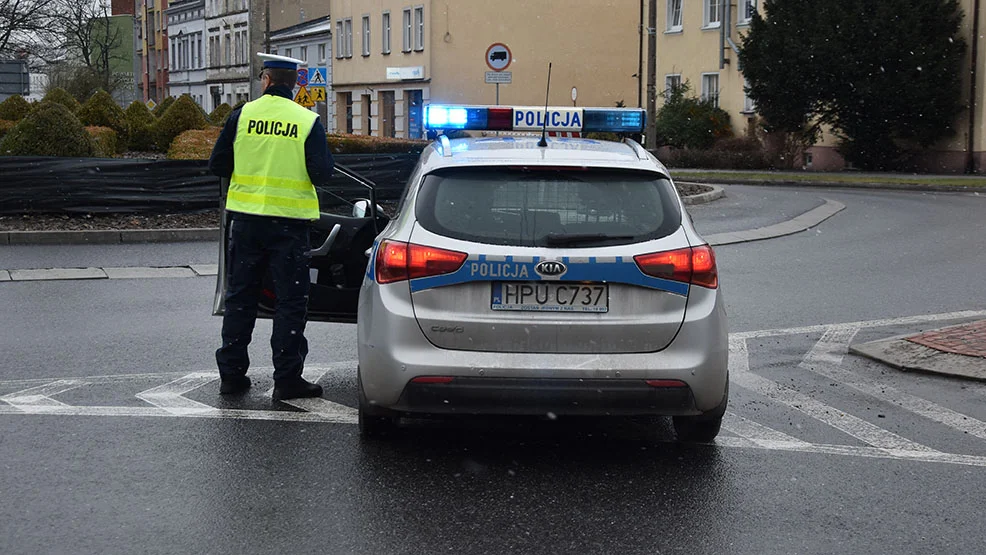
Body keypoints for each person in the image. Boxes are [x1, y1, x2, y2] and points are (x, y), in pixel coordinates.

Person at [208, 53, 334, 400]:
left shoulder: (242, 115)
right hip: (289, 226)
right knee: (290, 302)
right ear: (294, 85)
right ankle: (287, 379)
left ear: (265, 80)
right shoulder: (307, 120)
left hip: (246, 223)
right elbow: (323, 173)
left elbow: (218, 164)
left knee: (240, 299)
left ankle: (232, 375)